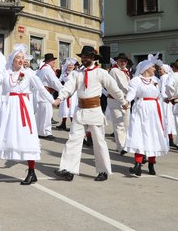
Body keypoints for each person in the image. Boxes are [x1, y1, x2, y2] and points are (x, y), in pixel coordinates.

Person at [0, 44, 47, 185]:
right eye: (18, 57)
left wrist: (55, 100)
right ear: (12, 60)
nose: (20, 60)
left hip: (23, 109)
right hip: (7, 109)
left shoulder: (29, 74)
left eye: (22, 58)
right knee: (0, 135)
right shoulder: (6, 74)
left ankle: (31, 172)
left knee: (26, 139)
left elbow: (41, 89)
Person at [52, 46, 128, 182]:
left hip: (95, 111)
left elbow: (113, 88)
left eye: (87, 56)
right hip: (80, 111)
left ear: (93, 58)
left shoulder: (101, 73)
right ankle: (68, 170)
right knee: (73, 140)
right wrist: (60, 98)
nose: (84, 59)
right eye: (83, 56)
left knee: (99, 142)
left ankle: (103, 171)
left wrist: (123, 100)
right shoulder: (77, 74)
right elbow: (68, 87)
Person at [124, 55, 169, 176]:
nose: (155, 69)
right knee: (139, 134)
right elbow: (131, 93)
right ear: (146, 68)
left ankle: (151, 164)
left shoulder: (156, 80)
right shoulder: (136, 80)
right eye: (153, 67)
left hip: (154, 109)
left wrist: (167, 99)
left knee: (153, 134)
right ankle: (138, 163)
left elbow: (160, 95)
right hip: (141, 108)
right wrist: (127, 101)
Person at [35, 53, 63, 139]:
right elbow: (54, 82)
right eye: (53, 61)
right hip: (45, 94)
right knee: (47, 113)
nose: (54, 62)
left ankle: (40, 131)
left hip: (40, 94)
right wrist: (63, 90)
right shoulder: (47, 69)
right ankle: (46, 133)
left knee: (40, 114)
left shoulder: (41, 69)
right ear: (50, 61)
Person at [108, 53, 132, 154]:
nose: (123, 63)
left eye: (125, 61)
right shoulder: (114, 70)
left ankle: (124, 145)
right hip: (115, 100)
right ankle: (121, 146)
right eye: (121, 61)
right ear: (117, 61)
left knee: (126, 124)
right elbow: (123, 86)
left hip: (126, 99)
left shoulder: (126, 72)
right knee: (119, 124)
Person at [158, 64, 178, 149]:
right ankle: (170, 139)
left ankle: (165, 140)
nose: (159, 71)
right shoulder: (168, 77)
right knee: (168, 120)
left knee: (164, 119)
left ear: (165, 70)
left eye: (160, 69)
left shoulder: (163, 77)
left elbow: (162, 91)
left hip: (164, 102)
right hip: (168, 102)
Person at [57, 58, 78, 131]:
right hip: (66, 92)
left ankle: (73, 125)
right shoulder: (64, 74)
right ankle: (63, 124)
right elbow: (59, 81)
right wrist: (61, 87)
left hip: (73, 93)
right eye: (69, 65)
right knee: (65, 108)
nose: (70, 66)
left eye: (72, 65)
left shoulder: (76, 73)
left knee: (72, 108)